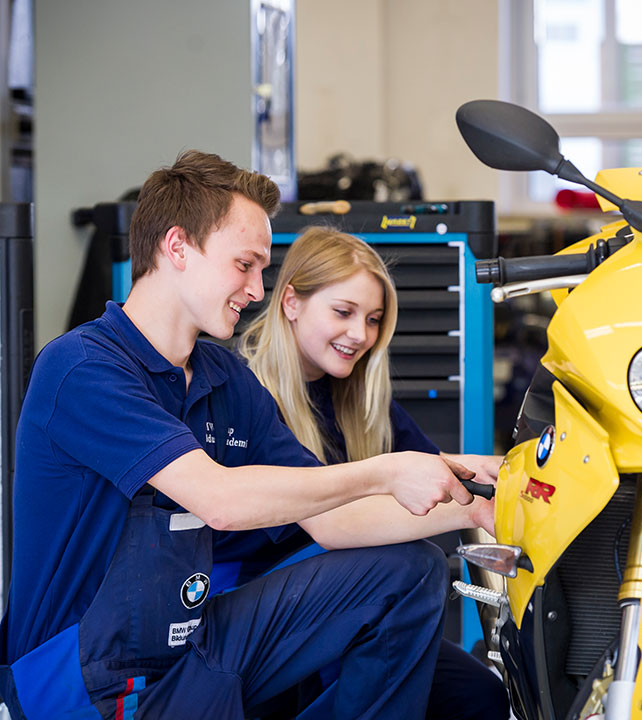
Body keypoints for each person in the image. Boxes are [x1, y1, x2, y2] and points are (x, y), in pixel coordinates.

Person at [0, 150, 498, 720]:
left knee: (409, 571)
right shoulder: (84, 367)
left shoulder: (225, 377)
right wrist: (389, 468)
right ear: (178, 246)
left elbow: (331, 517)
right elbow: (222, 502)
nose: (258, 290)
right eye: (245, 265)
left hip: (191, 650)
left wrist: (477, 501)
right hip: (82, 684)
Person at [240, 226, 509, 720]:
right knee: (416, 564)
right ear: (291, 302)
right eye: (343, 312)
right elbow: (334, 524)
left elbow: (435, 471)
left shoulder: (359, 402)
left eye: (373, 319)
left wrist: (506, 471)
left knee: (480, 695)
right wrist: (477, 507)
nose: (360, 334)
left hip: (355, 604)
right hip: (269, 616)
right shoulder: (248, 398)